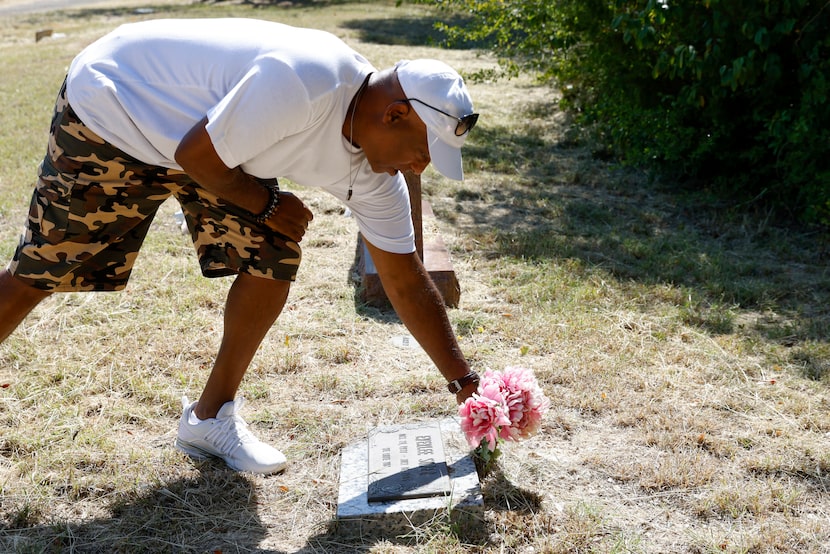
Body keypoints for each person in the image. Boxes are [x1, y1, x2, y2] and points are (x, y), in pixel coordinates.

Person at [0, 18, 481, 475]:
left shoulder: (377, 177)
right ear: (394, 114)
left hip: (207, 142)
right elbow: (195, 155)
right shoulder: (305, 80)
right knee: (42, 270)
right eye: (423, 152)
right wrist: (270, 204)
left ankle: (208, 420)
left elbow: (404, 278)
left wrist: (466, 385)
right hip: (117, 108)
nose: (419, 169)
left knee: (271, 252)